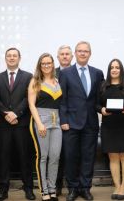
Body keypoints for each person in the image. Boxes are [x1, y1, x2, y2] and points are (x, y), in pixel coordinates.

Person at [59, 41, 104, 201]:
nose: (83, 53)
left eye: (86, 51)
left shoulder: (98, 73)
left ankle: (85, 188)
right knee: (71, 157)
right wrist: (63, 120)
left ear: (90, 54)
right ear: (75, 54)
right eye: (79, 51)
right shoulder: (65, 73)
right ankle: (72, 188)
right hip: (70, 123)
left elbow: (99, 99)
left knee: (88, 157)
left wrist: (105, 109)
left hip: (91, 123)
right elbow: (62, 100)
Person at [0, 47, 35, 201]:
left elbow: (28, 98)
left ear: (19, 58)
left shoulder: (28, 76)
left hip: (22, 124)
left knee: (25, 157)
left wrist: (16, 113)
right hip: (3, 124)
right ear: (5, 59)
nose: (11, 58)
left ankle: (28, 188)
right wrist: (6, 114)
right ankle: (3, 189)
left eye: (14, 56)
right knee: (3, 158)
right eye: (9, 56)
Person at [97, 59, 124, 200]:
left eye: (117, 67)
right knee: (113, 157)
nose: (114, 70)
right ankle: (117, 186)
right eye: (112, 67)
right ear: (109, 70)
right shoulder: (102, 86)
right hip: (108, 126)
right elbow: (96, 104)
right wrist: (101, 109)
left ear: (121, 70)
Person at [28, 53, 63, 201]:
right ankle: (44, 191)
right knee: (43, 157)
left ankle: (52, 188)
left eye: (49, 63)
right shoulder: (35, 81)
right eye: (43, 63)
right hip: (41, 121)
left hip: (56, 122)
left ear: (53, 64)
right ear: (39, 65)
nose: (46, 66)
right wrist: (39, 123)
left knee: (55, 157)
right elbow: (31, 104)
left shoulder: (57, 81)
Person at [55, 44, 73, 196]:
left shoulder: (76, 72)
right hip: (53, 119)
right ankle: (57, 185)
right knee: (56, 154)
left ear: (72, 56)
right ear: (58, 57)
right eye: (62, 54)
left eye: (68, 54)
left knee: (71, 154)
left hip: (72, 120)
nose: (65, 56)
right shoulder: (50, 72)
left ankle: (73, 186)